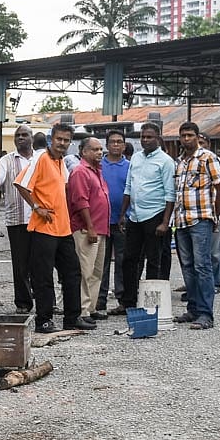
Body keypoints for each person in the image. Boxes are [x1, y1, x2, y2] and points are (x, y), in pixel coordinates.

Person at [14, 122, 91, 334]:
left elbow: (63, 189)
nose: (62, 143)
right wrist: (37, 207)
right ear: (51, 139)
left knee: (72, 273)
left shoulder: (61, 163)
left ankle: (72, 318)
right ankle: (44, 320)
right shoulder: (41, 159)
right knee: (43, 276)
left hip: (63, 228)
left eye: (66, 140)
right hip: (44, 229)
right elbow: (20, 183)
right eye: (59, 139)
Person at [112, 123, 176, 316]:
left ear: (158, 138)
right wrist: (123, 215)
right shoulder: (136, 158)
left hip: (155, 216)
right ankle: (128, 302)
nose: (145, 140)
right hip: (135, 216)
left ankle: (152, 305)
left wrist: (165, 222)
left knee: (154, 261)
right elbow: (128, 188)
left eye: (149, 137)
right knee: (129, 260)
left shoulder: (166, 161)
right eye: (143, 137)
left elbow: (170, 194)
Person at [170, 122, 220, 330]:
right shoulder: (180, 162)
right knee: (187, 265)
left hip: (200, 219)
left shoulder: (207, 158)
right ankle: (192, 309)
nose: (186, 139)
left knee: (202, 265)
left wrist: (214, 216)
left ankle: (205, 314)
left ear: (197, 137)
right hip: (181, 221)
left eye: (190, 135)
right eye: (183, 135)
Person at [0, 125, 36, 313]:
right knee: (20, 264)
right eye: (18, 135)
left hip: (41, 219)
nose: (21, 138)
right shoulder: (7, 161)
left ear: (32, 138)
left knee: (41, 263)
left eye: (25, 135)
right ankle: (23, 303)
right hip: (17, 220)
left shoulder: (41, 159)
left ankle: (46, 302)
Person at [67, 137, 110, 322]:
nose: (99, 153)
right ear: (84, 152)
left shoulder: (97, 171)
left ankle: (91, 307)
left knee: (97, 271)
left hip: (101, 229)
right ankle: (82, 311)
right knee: (85, 271)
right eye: (95, 149)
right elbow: (80, 202)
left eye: (101, 149)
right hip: (87, 230)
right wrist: (90, 227)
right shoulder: (80, 172)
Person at [97, 130, 130, 313]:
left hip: (122, 221)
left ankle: (122, 300)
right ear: (107, 145)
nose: (116, 145)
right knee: (101, 262)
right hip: (101, 220)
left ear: (124, 145)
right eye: (112, 142)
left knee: (122, 261)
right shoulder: (99, 165)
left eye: (119, 142)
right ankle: (100, 299)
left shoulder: (130, 166)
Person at [200, 133, 220, 296]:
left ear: (208, 144)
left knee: (214, 252)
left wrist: (216, 212)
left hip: (215, 215)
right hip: (196, 216)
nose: (199, 145)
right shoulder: (187, 162)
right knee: (197, 253)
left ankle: (215, 283)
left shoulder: (218, 163)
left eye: (202, 142)